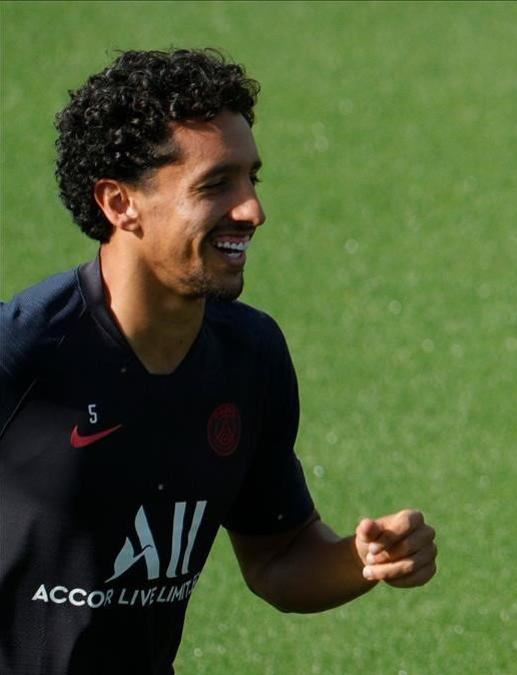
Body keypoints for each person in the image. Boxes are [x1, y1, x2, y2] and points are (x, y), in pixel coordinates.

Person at [0, 49, 437, 673]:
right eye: (215, 185)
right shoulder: (22, 351)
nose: (252, 209)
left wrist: (365, 560)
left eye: (251, 179)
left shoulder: (249, 356)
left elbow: (278, 555)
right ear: (120, 204)